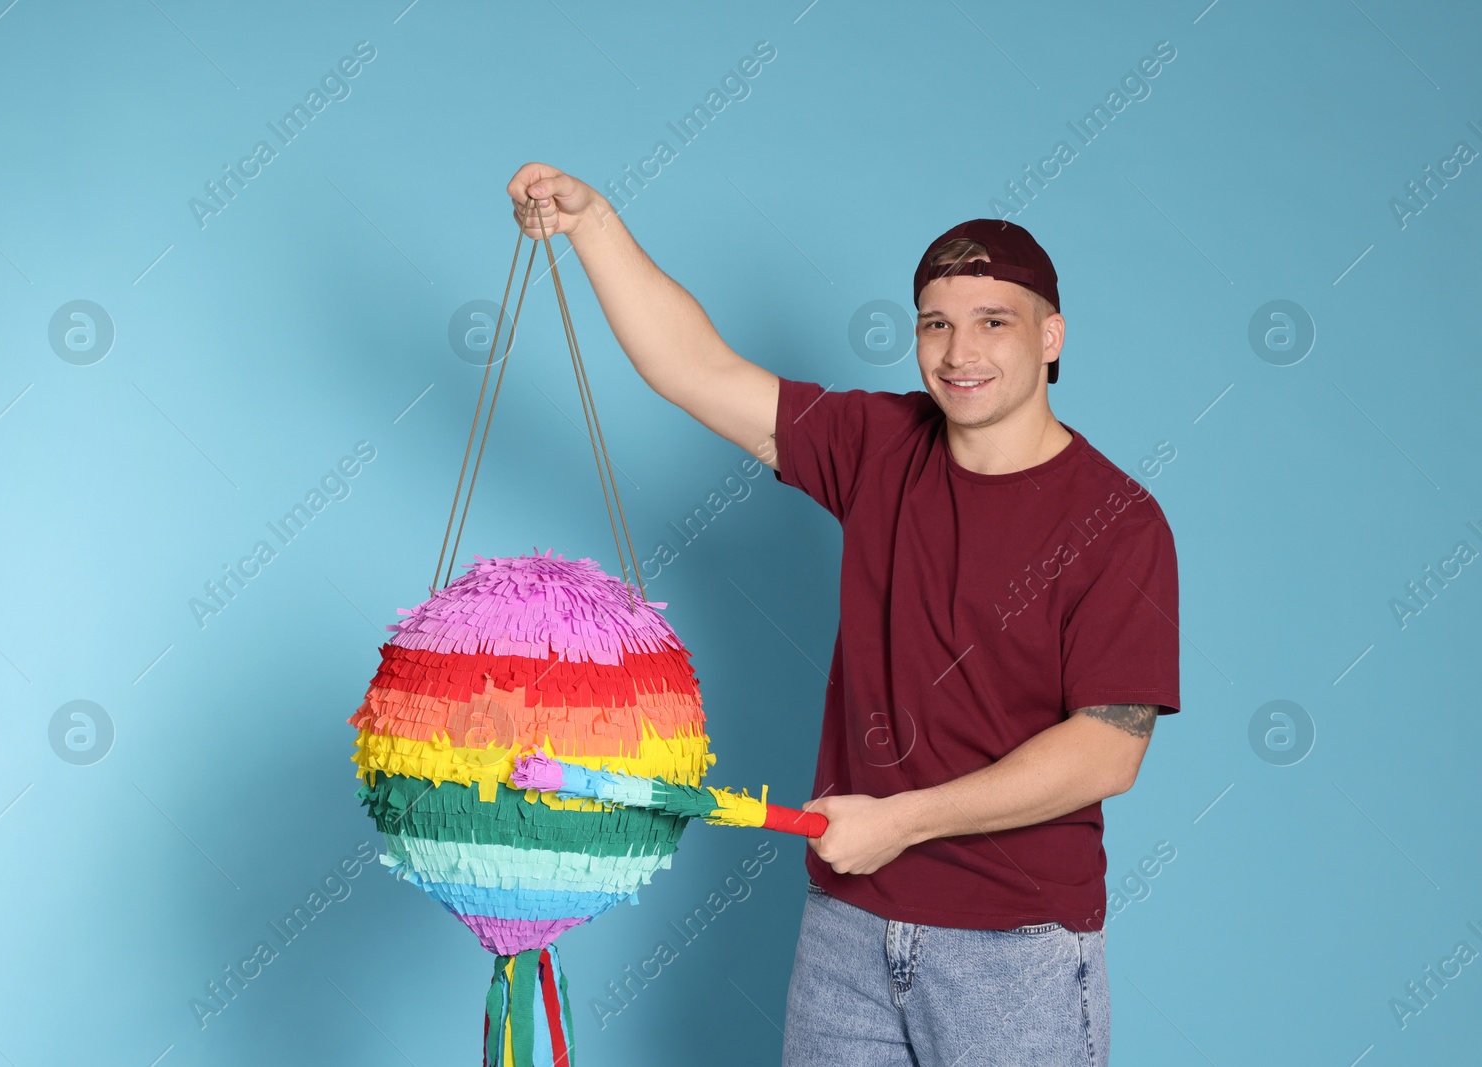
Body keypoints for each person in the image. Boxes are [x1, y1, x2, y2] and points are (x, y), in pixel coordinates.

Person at [505, 162, 1180, 1067]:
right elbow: (696, 370)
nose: (959, 351)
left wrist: (902, 820)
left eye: (993, 322)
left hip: (1012, 947)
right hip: (848, 930)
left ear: (1050, 336)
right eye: (935, 324)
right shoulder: (879, 445)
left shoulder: (1119, 520)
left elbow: (1108, 748)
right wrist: (592, 223)